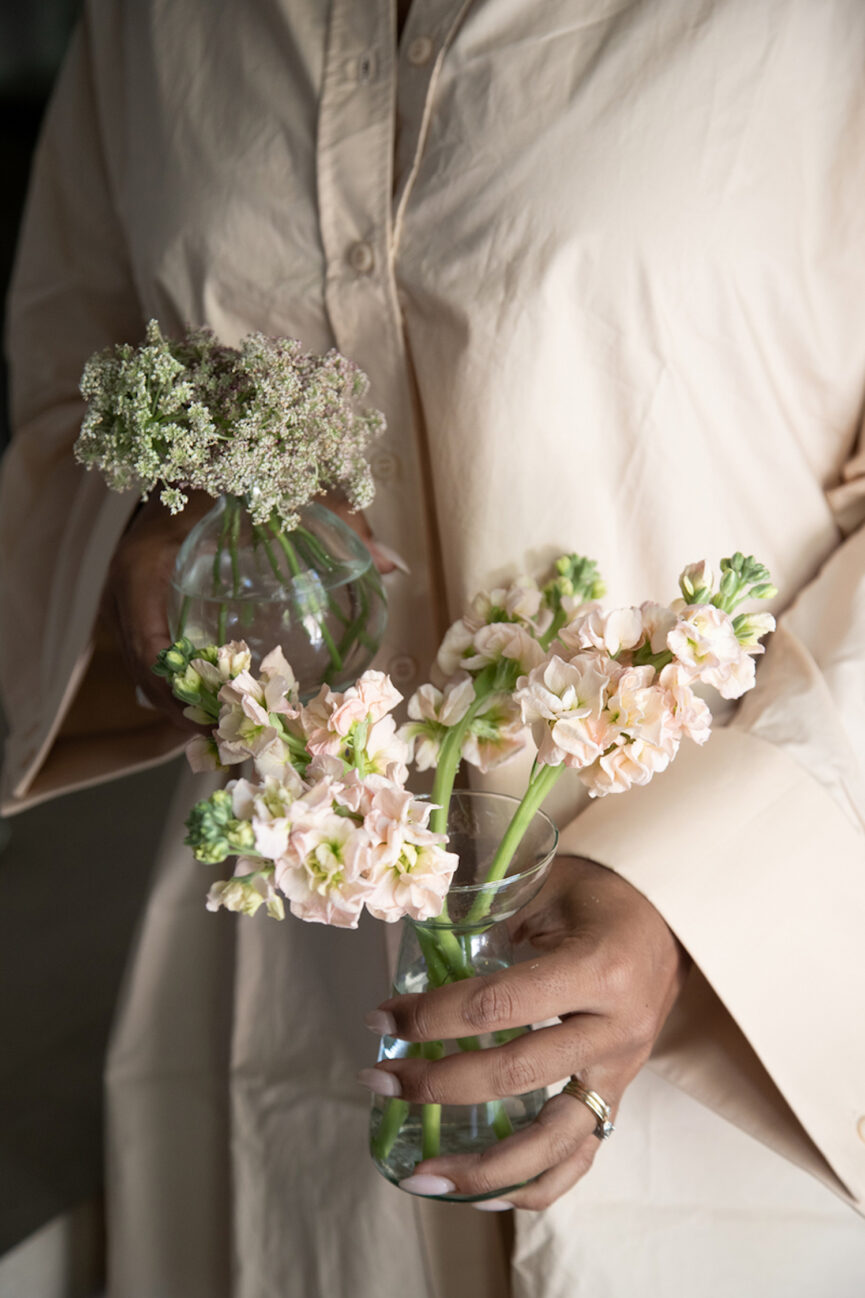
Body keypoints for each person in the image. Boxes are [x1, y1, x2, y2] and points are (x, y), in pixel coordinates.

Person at [2, 2, 865, 1295]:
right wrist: (154, 528)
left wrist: (698, 896)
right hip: (302, 976)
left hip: (763, 983)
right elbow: (75, 392)